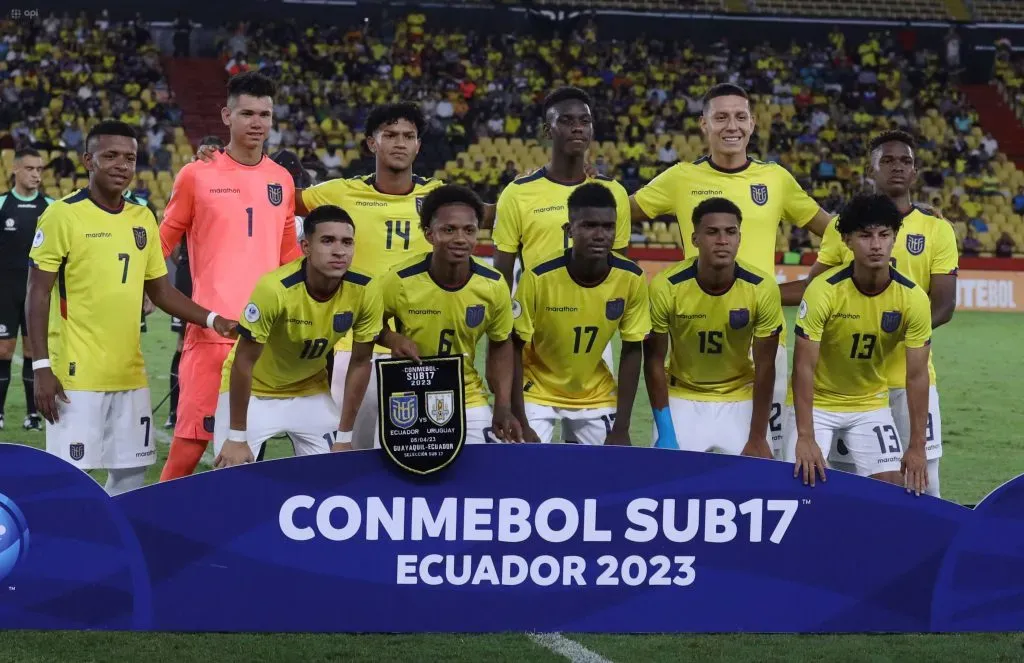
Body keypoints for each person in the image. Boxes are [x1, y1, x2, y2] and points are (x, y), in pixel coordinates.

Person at [26, 120, 236, 496]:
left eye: (129, 157)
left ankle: (108, 547)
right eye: (110, 156)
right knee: (71, 477)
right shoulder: (62, 214)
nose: (121, 164)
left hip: (130, 372)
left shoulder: (142, 217)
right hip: (76, 375)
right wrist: (42, 367)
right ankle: (63, 549)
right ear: (89, 160)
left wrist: (212, 319)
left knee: (132, 472)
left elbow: (160, 291)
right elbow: (37, 293)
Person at [628, 83, 834, 449]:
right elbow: (614, 215)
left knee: (763, 453)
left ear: (753, 123)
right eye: (720, 117)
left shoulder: (775, 179)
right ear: (703, 124)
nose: (731, 126)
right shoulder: (680, 178)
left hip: (763, 337)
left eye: (740, 117)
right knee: (685, 462)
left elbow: (836, 233)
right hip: (693, 333)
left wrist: (801, 288)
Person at [790, 131, 958, 497]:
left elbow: (943, 305)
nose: (897, 167)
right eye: (888, 160)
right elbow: (815, 287)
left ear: (915, 171)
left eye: (906, 161)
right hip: (854, 380)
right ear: (871, 168)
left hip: (910, 371)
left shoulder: (936, 228)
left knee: (923, 477)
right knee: (850, 479)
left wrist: (892, 326)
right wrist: (763, 295)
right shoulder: (846, 225)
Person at [158, 72, 302, 481]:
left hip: (265, 338)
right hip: (211, 335)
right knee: (189, 448)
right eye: (247, 113)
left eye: (265, 114)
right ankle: (154, 531)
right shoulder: (197, 174)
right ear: (226, 116)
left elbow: (290, 259)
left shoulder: (281, 180)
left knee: (248, 453)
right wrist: (146, 291)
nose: (257, 122)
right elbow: (160, 246)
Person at [212, 205, 383, 467]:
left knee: (335, 472)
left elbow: (360, 362)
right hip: (255, 392)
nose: (339, 250)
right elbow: (243, 362)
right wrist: (236, 435)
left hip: (309, 390)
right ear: (306, 246)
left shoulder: (366, 288)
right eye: (328, 241)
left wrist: (345, 435)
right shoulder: (275, 288)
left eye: (347, 242)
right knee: (230, 475)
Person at [789, 193, 932, 496]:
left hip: (870, 403)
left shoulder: (913, 298)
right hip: (819, 404)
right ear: (847, 241)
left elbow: (918, 375)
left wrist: (917, 445)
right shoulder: (823, 292)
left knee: (892, 491)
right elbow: (803, 367)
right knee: (802, 486)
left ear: (895, 237)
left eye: (884, 235)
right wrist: (805, 435)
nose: (876, 244)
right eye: (865, 236)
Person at [494, 86, 633, 390]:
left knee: (589, 435)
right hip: (535, 329)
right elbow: (502, 273)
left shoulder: (614, 193)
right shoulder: (518, 193)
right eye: (567, 121)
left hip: (593, 329)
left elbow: (621, 269)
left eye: (584, 121)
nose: (577, 127)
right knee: (528, 433)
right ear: (548, 130)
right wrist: (502, 333)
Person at [378, 185, 521, 446]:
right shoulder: (399, 280)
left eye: (469, 230)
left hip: (468, 396)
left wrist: (502, 404)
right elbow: (366, 322)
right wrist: (391, 338)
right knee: (395, 476)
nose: (460, 239)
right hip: (408, 393)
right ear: (429, 234)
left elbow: (501, 344)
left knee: (485, 475)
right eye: (449, 230)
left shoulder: (493, 285)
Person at [511, 183, 649, 446]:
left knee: (607, 476)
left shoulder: (631, 278)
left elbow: (632, 350)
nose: (600, 235)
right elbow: (513, 347)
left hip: (594, 394)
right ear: (569, 230)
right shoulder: (539, 277)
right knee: (522, 472)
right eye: (589, 226)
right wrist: (520, 417)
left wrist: (621, 427)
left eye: (608, 227)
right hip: (538, 390)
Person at [645, 197, 783, 457]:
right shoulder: (666, 286)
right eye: (712, 232)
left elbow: (766, 367)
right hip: (682, 394)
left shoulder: (761, 288)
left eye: (730, 232)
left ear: (739, 238)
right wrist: (666, 432)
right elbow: (653, 361)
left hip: (740, 394)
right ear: (695, 238)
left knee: (756, 482)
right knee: (671, 481)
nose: (722, 240)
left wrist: (757, 437)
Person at [165, 135, 225, 430]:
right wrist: (185, 264)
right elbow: (172, 233)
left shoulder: (226, 186)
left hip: (212, 276)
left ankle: (205, 411)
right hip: (190, 276)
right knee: (184, 342)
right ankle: (177, 411)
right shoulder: (192, 181)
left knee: (213, 344)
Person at [0, 149, 52, 431]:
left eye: (40, 169)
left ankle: (33, 415)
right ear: (15, 170)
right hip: (5, 292)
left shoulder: (52, 207)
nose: (36, 174)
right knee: (3, 351)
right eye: (30, 169)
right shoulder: (2, 205)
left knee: (34, 351)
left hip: (38, 294)